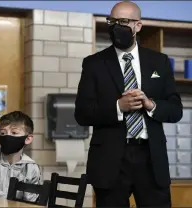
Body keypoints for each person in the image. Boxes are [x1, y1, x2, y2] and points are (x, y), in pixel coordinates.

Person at [74, 1, 183, 207]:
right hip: (110, 160)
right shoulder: (94, 63)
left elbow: (175, 110)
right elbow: (82, 113)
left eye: (123, 21)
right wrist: (118, 107)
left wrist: (151, 105)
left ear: (138, 25)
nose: (116, 26)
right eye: (112, 21)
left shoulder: (159, 61)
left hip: (151, 158)